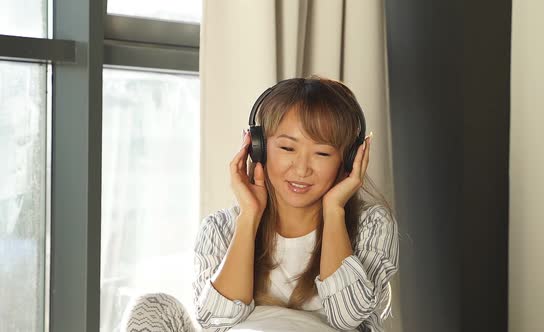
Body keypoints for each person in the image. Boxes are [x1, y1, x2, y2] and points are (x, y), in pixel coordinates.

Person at [123, 77, 399, 332]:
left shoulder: (371, 225)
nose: (302, 169)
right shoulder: (220, 228)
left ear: (349, 159)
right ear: (258, 147)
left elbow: (348, 316)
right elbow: (217, 320)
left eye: (322, 153)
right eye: (287, 148)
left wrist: (334, 211)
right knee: (153, 307)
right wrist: (249, 216)